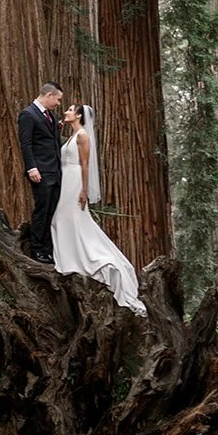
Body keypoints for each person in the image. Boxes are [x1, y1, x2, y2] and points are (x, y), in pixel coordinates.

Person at [51, 103, 146, 315]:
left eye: (70, 109)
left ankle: (85, 259)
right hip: (65, 180)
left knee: (68, 219)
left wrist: (84, 190)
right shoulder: (72, 136)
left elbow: (85, 164)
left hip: (74, 181)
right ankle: (66, 254)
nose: (66, 111)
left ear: (78, 116)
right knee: (61, 220)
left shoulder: (83, 136)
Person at [17, 83, 64, 264]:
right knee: (42, 210)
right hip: (41, 171)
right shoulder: (28, 114)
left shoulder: (49, 116)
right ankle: (38, 249)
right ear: (49, 95)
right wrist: (31, 168)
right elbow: (26, 144)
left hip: (55, 170)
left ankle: (48, 247)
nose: (59, 104)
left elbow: (50, 139)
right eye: (58, 99)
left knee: (52, 210)